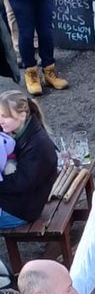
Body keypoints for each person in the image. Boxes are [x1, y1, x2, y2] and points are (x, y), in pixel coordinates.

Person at [0, 90, 58, 228]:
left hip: (21, 210)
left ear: (22, 115)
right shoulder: (15, 130)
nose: (0, 120)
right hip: (14, 201)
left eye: (4, 116)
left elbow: (21, 184)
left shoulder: (38, 146)